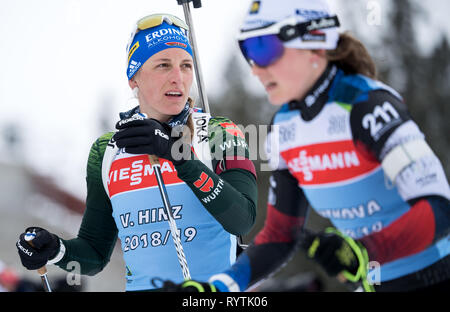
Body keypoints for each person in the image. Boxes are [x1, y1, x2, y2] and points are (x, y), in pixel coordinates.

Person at [162, 0, 450, 292]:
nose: (256, 69)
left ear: (315, 43)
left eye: (264, 47)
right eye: (248, 51)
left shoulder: (367, 107)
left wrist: (363, 251)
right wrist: (220, 287)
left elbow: (440, 206)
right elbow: (278, 237)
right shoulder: (286, 128)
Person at [16, 13, 258, 291]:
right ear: (134, 77)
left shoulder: (219, 133)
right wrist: (56, 249)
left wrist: (178, 156)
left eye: (186, 65)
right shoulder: (106, 152)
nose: (178, 78)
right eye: (163, 65)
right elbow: (94, 253)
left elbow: (242, 220)